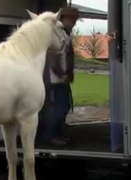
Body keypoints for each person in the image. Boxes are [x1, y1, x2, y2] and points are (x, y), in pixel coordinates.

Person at [41, 7, 79, 146]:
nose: (74, 22)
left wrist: (68, 74)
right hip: (54, 80)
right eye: (72, 19)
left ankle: (57, 134)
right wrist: (61, 74)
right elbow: (52, 58)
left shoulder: (65, 34)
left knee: (63, 107)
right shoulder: (57, 35)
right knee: (55, 109)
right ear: (63, 18)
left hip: (62, 79)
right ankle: (50, 137)